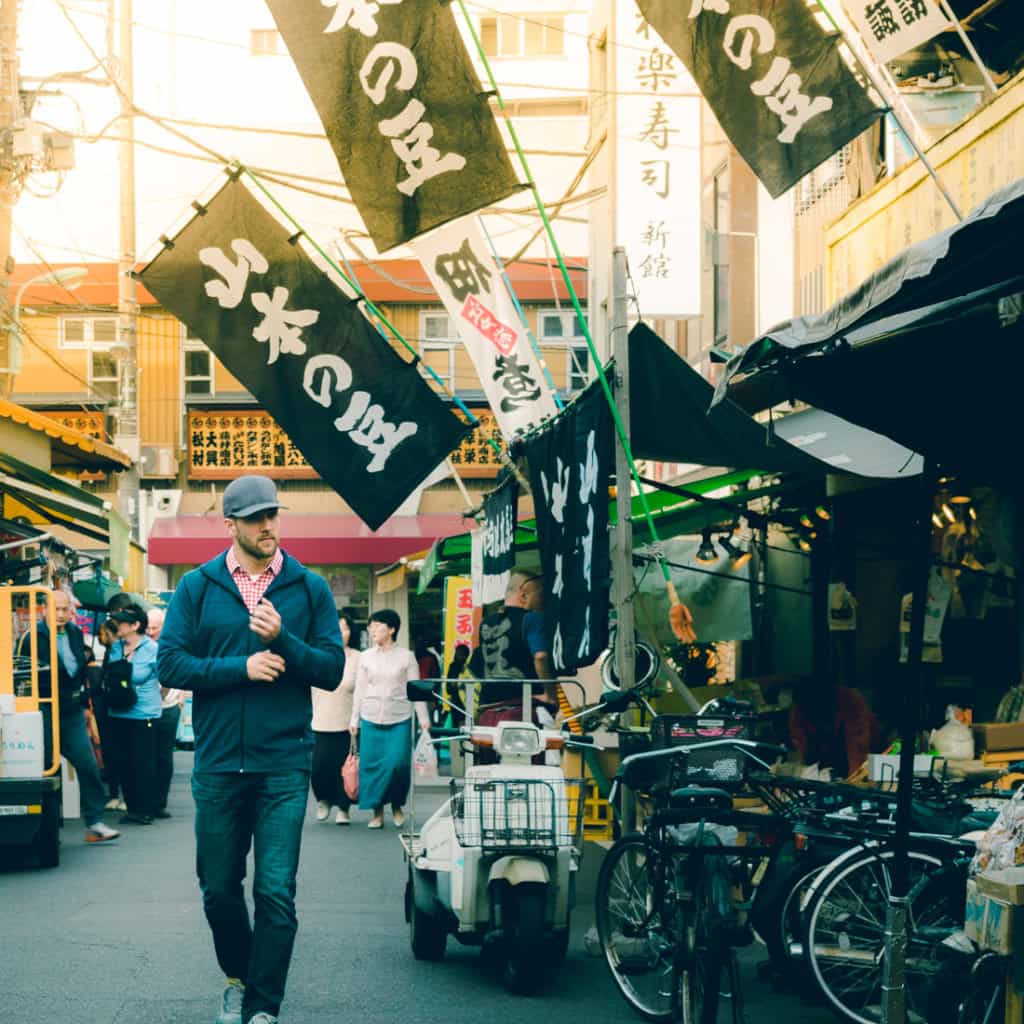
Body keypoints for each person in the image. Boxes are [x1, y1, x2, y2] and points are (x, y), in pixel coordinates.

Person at [157, 474, 345, 1024]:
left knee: (275, 892)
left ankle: (263, 1005)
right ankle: (239, 978)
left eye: (273, 515)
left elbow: (331, 670)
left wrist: (282, 639)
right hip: (217, 766)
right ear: (230, 525)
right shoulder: (197, 587)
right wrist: (241, 667)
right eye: (255, 517)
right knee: (218, 890)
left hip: (284, 764)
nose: (268, 525)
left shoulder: (308, 588)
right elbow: (170, 665)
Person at [20, 588, 120, 845]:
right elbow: (21, 674)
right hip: (43, 708)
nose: (62, 614)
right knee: (45, 767)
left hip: (71, 709)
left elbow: (80, 672)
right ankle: (44, 829)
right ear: (44, 610)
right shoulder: (32, 637)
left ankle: (94, 822)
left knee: (87, 764)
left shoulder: (75, 633)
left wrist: (85, 704)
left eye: (66, 609)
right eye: (56, 609)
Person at [350, 609, 430, 830]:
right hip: (371, 717)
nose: (372, 630)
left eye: (377, 625)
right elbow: (360, 689)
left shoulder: (407, 656)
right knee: (372, 767)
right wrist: (354, 719)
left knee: (398, 765)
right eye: (371, 626)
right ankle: (376, 812)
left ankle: (396, 805)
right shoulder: (366, 657)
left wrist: (423, 719)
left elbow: (415, 690)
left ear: (392, 629)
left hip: (400, 717)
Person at [105, 602, 162, 825]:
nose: (117, 625)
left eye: (122, 622)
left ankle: (145, 809)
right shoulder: (116, 647)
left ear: (135, 625)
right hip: (118, 712)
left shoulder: (152, 649)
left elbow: (165, 679)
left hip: (144, 713)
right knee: (124, 763)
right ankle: (132, 808)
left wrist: (156, 700)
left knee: (143, 763)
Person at [469, 570, 555, 714]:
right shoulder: (532, 618)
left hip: (489, 708)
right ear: (524, 596)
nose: (543, 601)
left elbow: (476, 665)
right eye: (540, 595)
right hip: (525, 707)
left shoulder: (485, 623)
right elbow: (540, 656)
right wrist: (550, 695)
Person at [311, 612, 360, 826]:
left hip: (346, 723)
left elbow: (362, 691)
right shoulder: (317, 655)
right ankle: (323, 800)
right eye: (336, 629)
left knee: (345, 768)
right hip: (319, 720)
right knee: (320, 766)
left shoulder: (358, 658)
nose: (340, 634)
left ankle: (343, 808)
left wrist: (357, 719)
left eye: (345, 629)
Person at [788, 679, 880, 780]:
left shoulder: (850, 701)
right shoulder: (799, 710)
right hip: (824, 761)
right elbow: (801, 745)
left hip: (860, 758)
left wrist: (853, 782)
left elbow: (858, 749)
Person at [148, 607, 182, 819]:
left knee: (163, 756)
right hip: (146, 710)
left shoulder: (171, 644)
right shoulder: (143, 645)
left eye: (156, 628)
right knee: (147, 756)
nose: (151, 632)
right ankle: (147, 802)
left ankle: (160, 803)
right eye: (149, 628)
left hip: (168, 707)